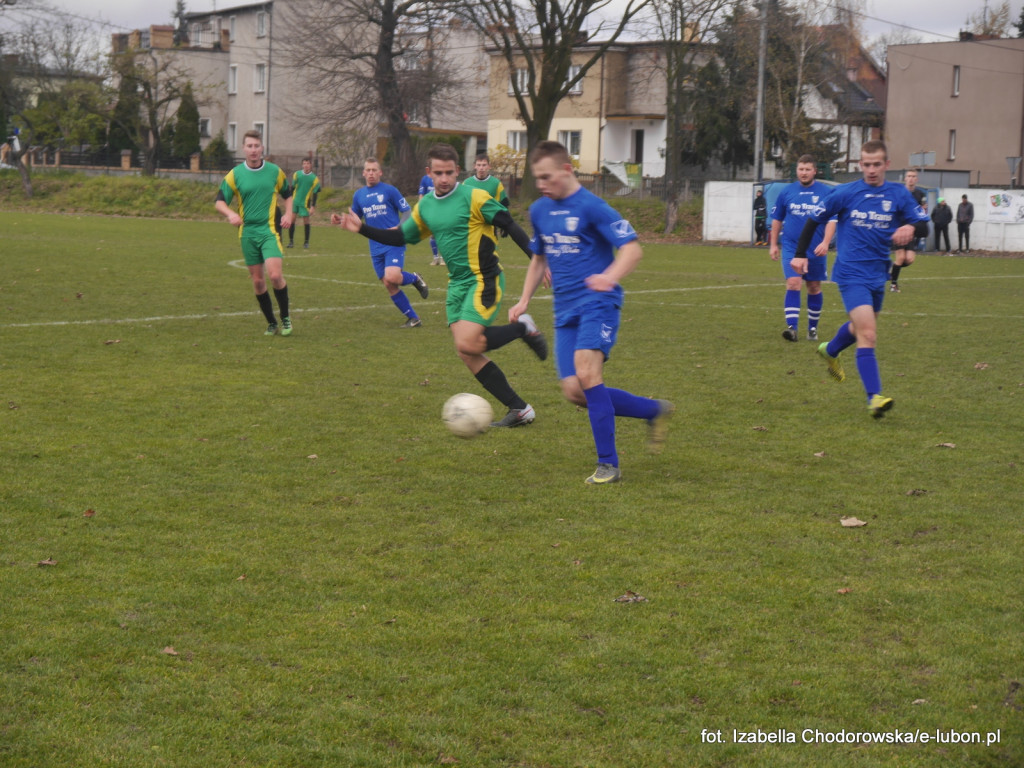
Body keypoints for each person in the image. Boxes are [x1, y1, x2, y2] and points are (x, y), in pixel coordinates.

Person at [334, 143, 547, 427]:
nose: (444, 178)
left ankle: (524, 328)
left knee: (468, 341)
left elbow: (509, 224)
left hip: (485, 278)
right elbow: (400, 237)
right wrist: (362, 228)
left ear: (458, 171)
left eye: (449, 172)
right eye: (438, 173)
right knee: (466, 352)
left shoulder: (475, 197)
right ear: (429, 173)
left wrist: (537, 259)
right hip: (457, 284)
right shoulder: (427, 207)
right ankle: (519, 409)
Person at [508, 141, 674, 485]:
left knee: (587, 372)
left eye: (546, 177)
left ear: (567, 170)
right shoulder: (539, 210)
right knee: (574, 391)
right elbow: (539, 257)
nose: (541, 184)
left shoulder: (593, 207)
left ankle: (608, 466)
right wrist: (524, 300)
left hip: (599, 303)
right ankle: (653, 410)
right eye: (537, 178)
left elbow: (631, 250)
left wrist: (608, 277)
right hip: (564, 309)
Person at [792, 139, 929, 419]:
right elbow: (814, 219)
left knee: (861, 327)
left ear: (887, 165)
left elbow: (924, 225)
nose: (871, 170)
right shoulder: (846, 192)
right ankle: (874, 398)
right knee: (868, 333)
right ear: (860, 165)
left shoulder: (899, 194)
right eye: (866, 164)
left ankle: (830, 350)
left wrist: (909, 227)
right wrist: (799, 254)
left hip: (879, 272)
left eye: (877, 164)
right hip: (851, 273)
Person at [215, 129, 295, 336]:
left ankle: (285, 318)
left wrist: (288, 214)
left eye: (256, 146)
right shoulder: (235, 175)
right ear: (243, 148)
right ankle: (271, 322)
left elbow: (288, 194)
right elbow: (219, 201)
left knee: (276, 275)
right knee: (258, 282)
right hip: (247, 233)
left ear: (262, 148)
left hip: (269, 231)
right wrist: (230, 214)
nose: (253, 150)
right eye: (249, 146)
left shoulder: (274, 172)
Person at [349, 157, 429, 328]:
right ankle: (414, 319)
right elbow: (355, 218)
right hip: (375, 246)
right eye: (368, 170)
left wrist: (399, 228)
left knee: (393, 276)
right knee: (389, 283)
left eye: (374, 170)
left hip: (393, 243)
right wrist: (342, 219)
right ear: (363, 173)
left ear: (380, 172)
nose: (371, 173)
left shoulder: (389, 190)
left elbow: (407, 211)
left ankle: (415, 278)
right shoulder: (359, 195)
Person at [769, 155, 837, 342]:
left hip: (815, 248)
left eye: (807, 169)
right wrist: (774, 244)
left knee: (814, 286)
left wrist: (825, 242)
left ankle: (812, 329)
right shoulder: (787, 192)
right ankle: (792, 328)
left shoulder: (826, 192)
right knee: (793, 283)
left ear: (815, 171)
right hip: (791, 246)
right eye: (801, 169)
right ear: (796, 171)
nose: (804, 172)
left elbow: (832, 220)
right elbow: (777, 219)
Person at [890, 169, 926, 292]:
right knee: (900, 258)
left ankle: (891, 270)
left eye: (913, 176)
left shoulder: (920, 195)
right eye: (909, 176)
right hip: (899, 230)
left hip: (911, 230)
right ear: (905, 178)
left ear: (917, 179)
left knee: (909, 259)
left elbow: (922, 212)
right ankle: (893, 285)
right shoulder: (899, 193)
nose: (911, 178)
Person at [288, 157, 321, 249]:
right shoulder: (297, 175)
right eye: (304, 163)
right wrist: (289, 200)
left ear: (311, 165)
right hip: (295, 201)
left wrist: (313, 206)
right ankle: (291, 242)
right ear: (302, 165)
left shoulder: (314, 179)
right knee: (292, 220)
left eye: (308, 163)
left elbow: (315, 194)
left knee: (306, 221)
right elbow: (292, 188)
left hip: (305, 203)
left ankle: (306, 242)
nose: (306, 165)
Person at [419, 166, 444, 266]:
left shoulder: (441, 178)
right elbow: (421, 194)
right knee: (432, 234)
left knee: (442, 233)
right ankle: (435, 258)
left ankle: (443, 258)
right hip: (430, 210)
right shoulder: (425, 179)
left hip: (442, 209)